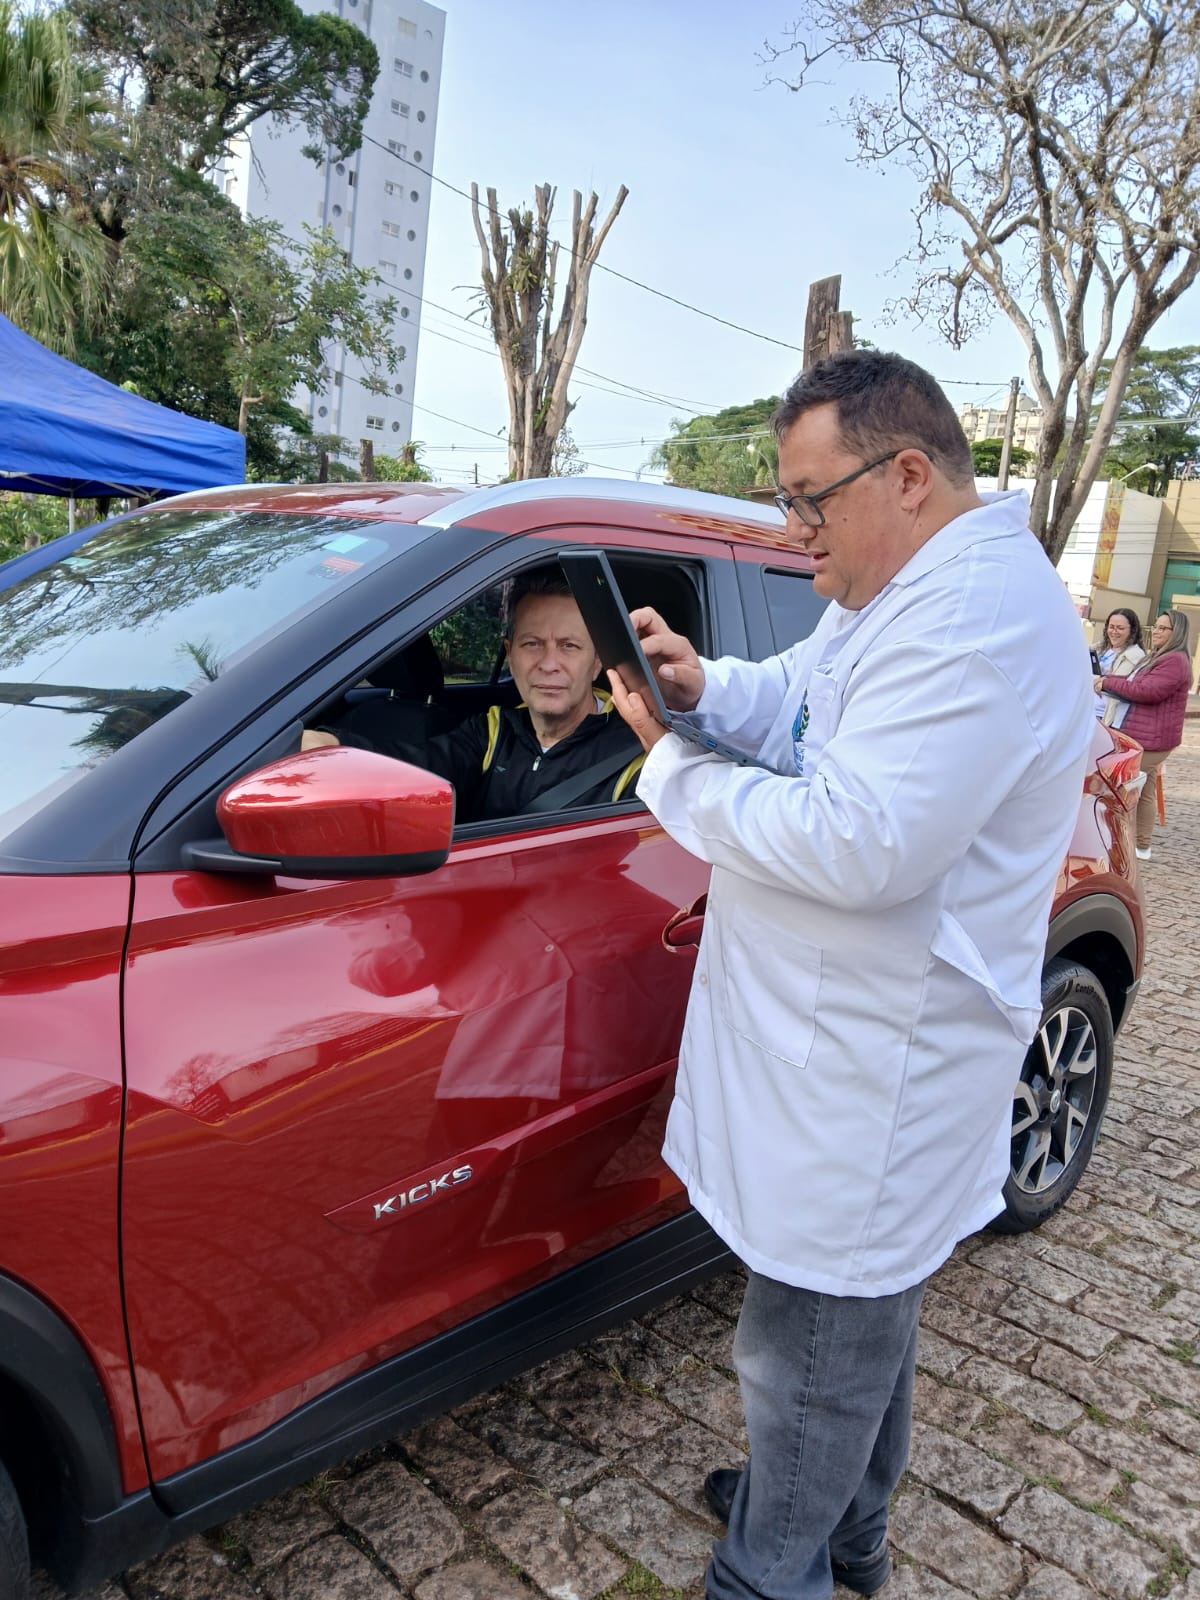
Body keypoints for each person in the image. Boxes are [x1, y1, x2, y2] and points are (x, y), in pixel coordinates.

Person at [606, 349, 1095, 1600]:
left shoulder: (975, 622)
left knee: (810, 1338)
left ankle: (773, 1570)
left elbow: (861, 840)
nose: (794, 525)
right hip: (845, 1041)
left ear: (911, 475)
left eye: (812, 496)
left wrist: (673, 770)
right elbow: (810, 700)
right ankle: (845, 1527)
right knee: (860, 1319)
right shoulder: (902, 585)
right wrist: (707, 688)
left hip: (880, 1058)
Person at [302, 571, 644, 823]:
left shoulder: (635, 752)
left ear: (598, 660)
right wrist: (328, 746)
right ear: (510, 654)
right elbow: (413, 765)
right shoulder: (495, 730)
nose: (549, 664)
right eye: (532, 644)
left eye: (569, 646)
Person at [1096, 608, 1192, 860]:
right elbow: (1134, 684)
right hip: (1143, 734)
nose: (1157, 632)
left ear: (1176, 633)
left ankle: (1117, 844)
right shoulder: (1159, 657)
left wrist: (1107, 682)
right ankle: (1141, 846)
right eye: (1156, 627)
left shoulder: (1175, 661)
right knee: (1145, 789)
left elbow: (1147, 691)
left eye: (1163, 628)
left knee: (1120, 786)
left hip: (1153, 739)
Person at [1093, 608, 1145, 725]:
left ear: (1132, 630)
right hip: (1087, 710)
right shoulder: (1098, 648)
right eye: (1111, 627)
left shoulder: (1135, 656)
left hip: (1107, 717)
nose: (1114, 632)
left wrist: (1103, 683)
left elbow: (1124, 687)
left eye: (1120, 628)